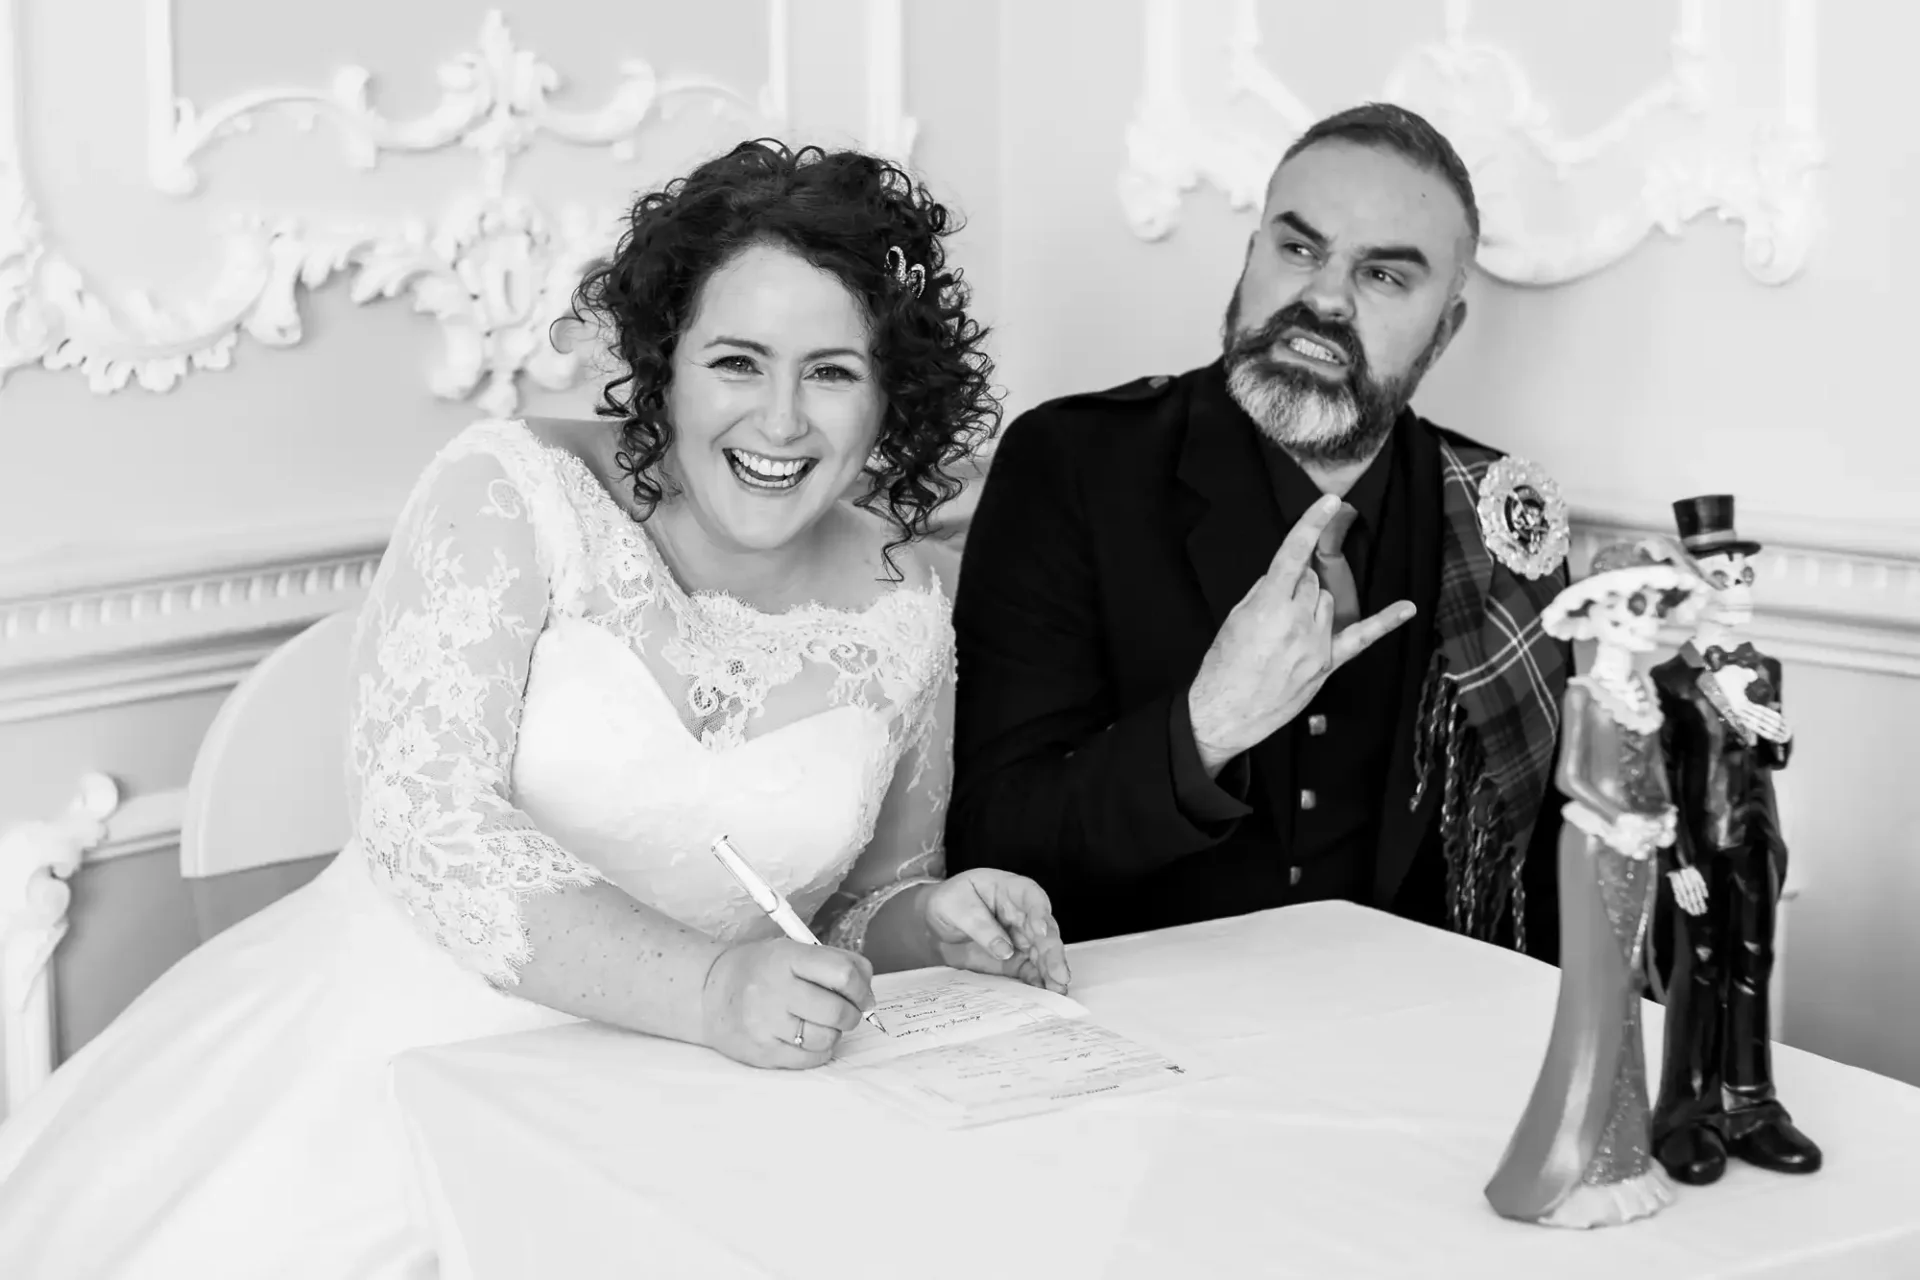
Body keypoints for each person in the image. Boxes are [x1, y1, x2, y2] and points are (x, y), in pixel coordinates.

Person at [0, 140, 1070, 1280]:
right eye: (737, 361)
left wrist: (934, 918)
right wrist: (708, 989)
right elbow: (430, 828)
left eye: (832, 372)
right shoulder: (512, 489)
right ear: (664, 366)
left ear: (891, 392)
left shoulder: (907, 599)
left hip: (689, 1114)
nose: (781, 419)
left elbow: (856, 904)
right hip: (375, 1080)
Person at [947, 103, 1573, 957]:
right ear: (1250, 258)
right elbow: (993, 843)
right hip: (1133, 1034)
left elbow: (1540, 885)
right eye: (1299, 248)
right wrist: (1205, 725)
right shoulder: (1075, 465)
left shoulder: (1500, 514)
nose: (1324, 297)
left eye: (1384, 276)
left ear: (1446, 327)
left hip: (1410, 1036)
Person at [1484, 538, 1702, 1229]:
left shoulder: (1641, 692)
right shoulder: (1586, 694)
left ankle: (1623, 1154)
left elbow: (1655, 773)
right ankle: (1571, 1162)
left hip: (1638, 849)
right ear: (1601, 612)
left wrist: (1664, 821)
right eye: (1633, 604)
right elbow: (1572, 778)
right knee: (1596, 993)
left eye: (1654, 606)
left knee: (1632, 993)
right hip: (1593, 849)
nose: (1644, 620)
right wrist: (1620, 820)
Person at [1648, 495, 1823, 1183]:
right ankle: (1685, 1113)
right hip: (1700, 847)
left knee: (1755, 962)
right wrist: (1676, 861)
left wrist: (1779, 738)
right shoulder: (1670, 682)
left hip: (1756, 840)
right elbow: (1655, 778)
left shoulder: (1763, 668)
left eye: (1744, 578)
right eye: (1722, 579)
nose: (1739, 592)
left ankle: (1751, 1103)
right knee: (1700, 971)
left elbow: (1767, 760)